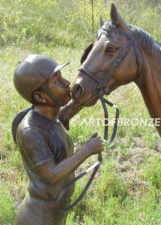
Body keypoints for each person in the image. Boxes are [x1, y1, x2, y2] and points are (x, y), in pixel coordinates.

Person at [12, 54, 103, 225]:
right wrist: (88, 149)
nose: (67, 82)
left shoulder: (50, 117)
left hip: (54, 215)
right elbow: (51, 175)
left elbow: (67, 112)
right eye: (57, 80)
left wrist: (89, 92)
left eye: (61, 76)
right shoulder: (31, 131)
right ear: (40, 97)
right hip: (38, 218)